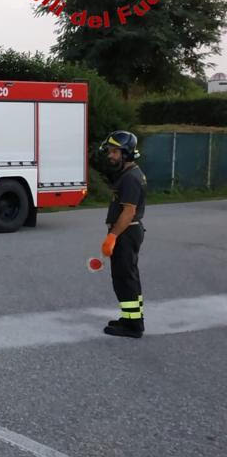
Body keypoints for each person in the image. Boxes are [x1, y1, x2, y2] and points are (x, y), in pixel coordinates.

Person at [100, 131, 147, 338]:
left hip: (126, 233)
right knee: (128, 277)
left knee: (124, 278)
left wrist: (113, 236)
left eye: (115, 151)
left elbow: (128, 211)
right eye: (110, 151)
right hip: (127, 232)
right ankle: (131, 318)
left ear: (126, 153)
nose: (110, 155)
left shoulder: (130, 178)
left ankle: (133, 326)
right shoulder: (130, 175)